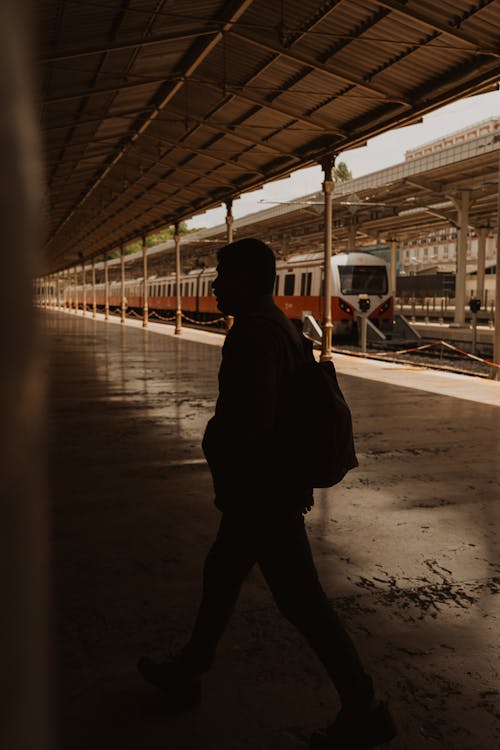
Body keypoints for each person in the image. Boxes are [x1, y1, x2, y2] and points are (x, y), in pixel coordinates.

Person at [138, 238, 396, 749]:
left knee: (303, 603)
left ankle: (364, 709)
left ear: (249, 281)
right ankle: (191, 666)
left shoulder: (253, 336)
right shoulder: (283, 326)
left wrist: (216, 441)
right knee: (223, 573)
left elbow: (252, 423)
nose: (214, 285)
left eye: (223, 275)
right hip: (268, 491)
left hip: (263, 496)